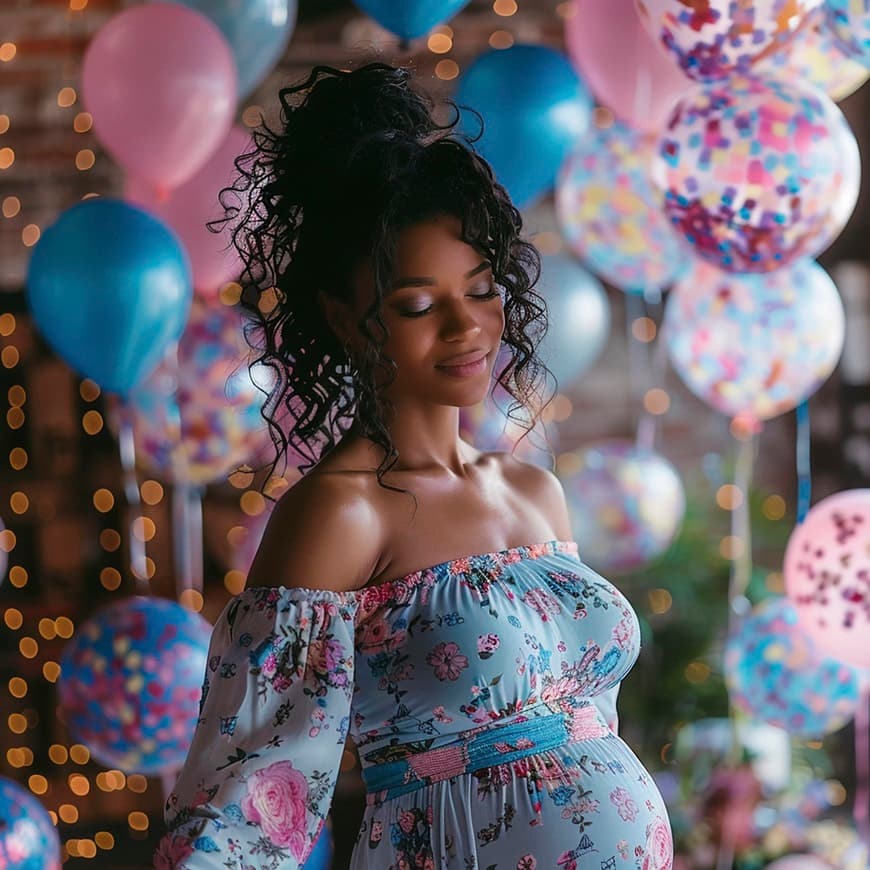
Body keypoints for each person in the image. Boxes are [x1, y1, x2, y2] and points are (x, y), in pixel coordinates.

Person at [155, 62, 672, 869]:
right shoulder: (342, 511)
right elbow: (249, 793)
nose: (467, 327)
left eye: (481, 288)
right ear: (344, 316)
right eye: (420, 305)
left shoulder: (535, 490)